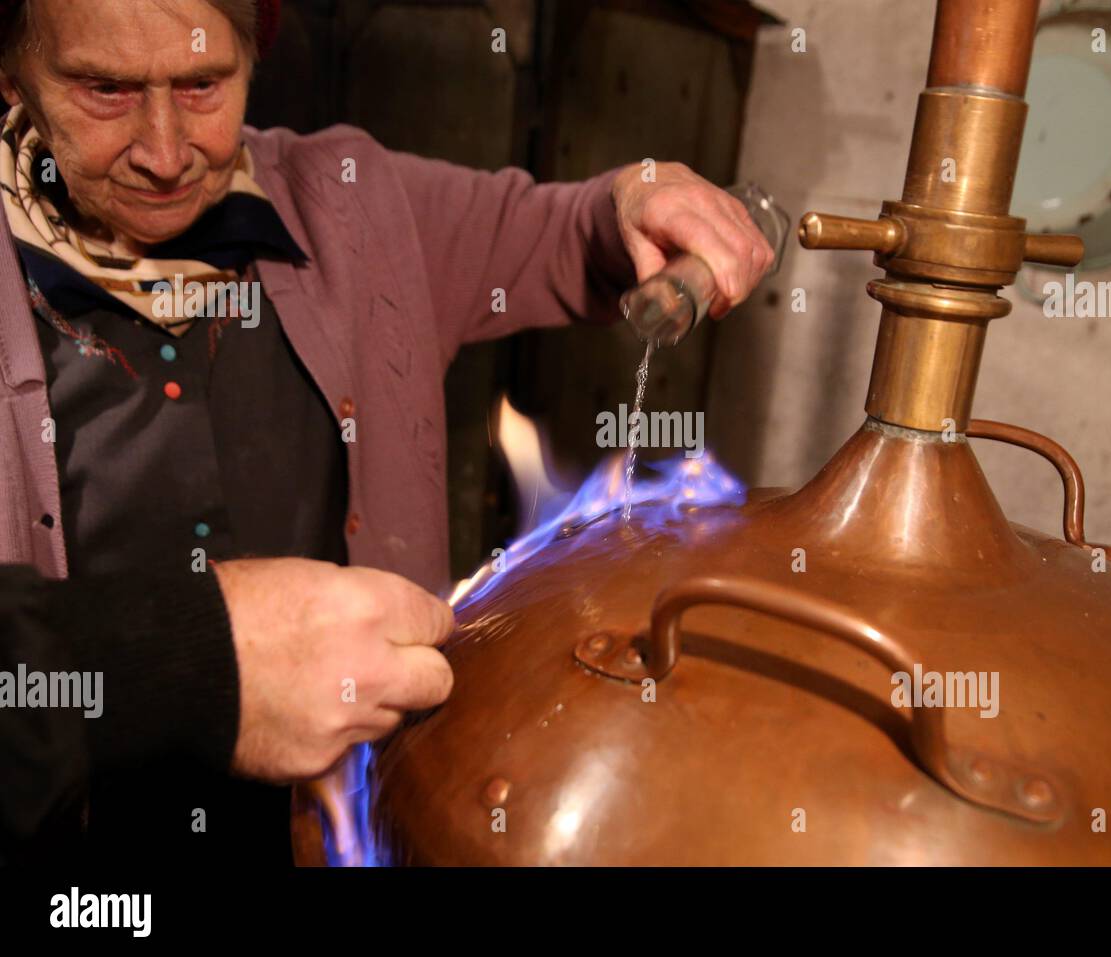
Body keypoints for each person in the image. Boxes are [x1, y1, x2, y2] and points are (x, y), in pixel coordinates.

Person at [0, 0, 773, 864]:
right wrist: (187, 664)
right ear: (13, 75)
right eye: (105, 89)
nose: (167, 151)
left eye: (203, 83)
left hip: (332, 832)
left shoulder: (349, 206)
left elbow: (560, 235)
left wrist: (635, 192)